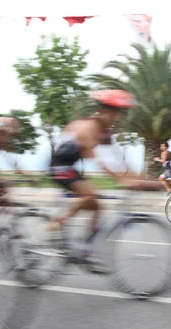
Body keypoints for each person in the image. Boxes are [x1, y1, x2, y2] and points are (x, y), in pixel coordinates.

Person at [45, 90, 151, 239]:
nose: (120, 118)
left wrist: (137, 176)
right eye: (118, 113)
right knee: (90, 195)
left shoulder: (103, 130)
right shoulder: (89, 128)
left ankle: (86, 250)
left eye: (122, 114)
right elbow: (98, 162)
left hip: (70, 168)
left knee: (97, 206)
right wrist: (121, 180)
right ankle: (59, 222)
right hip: (59, 167)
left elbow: (117, 156)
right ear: (107, 112)